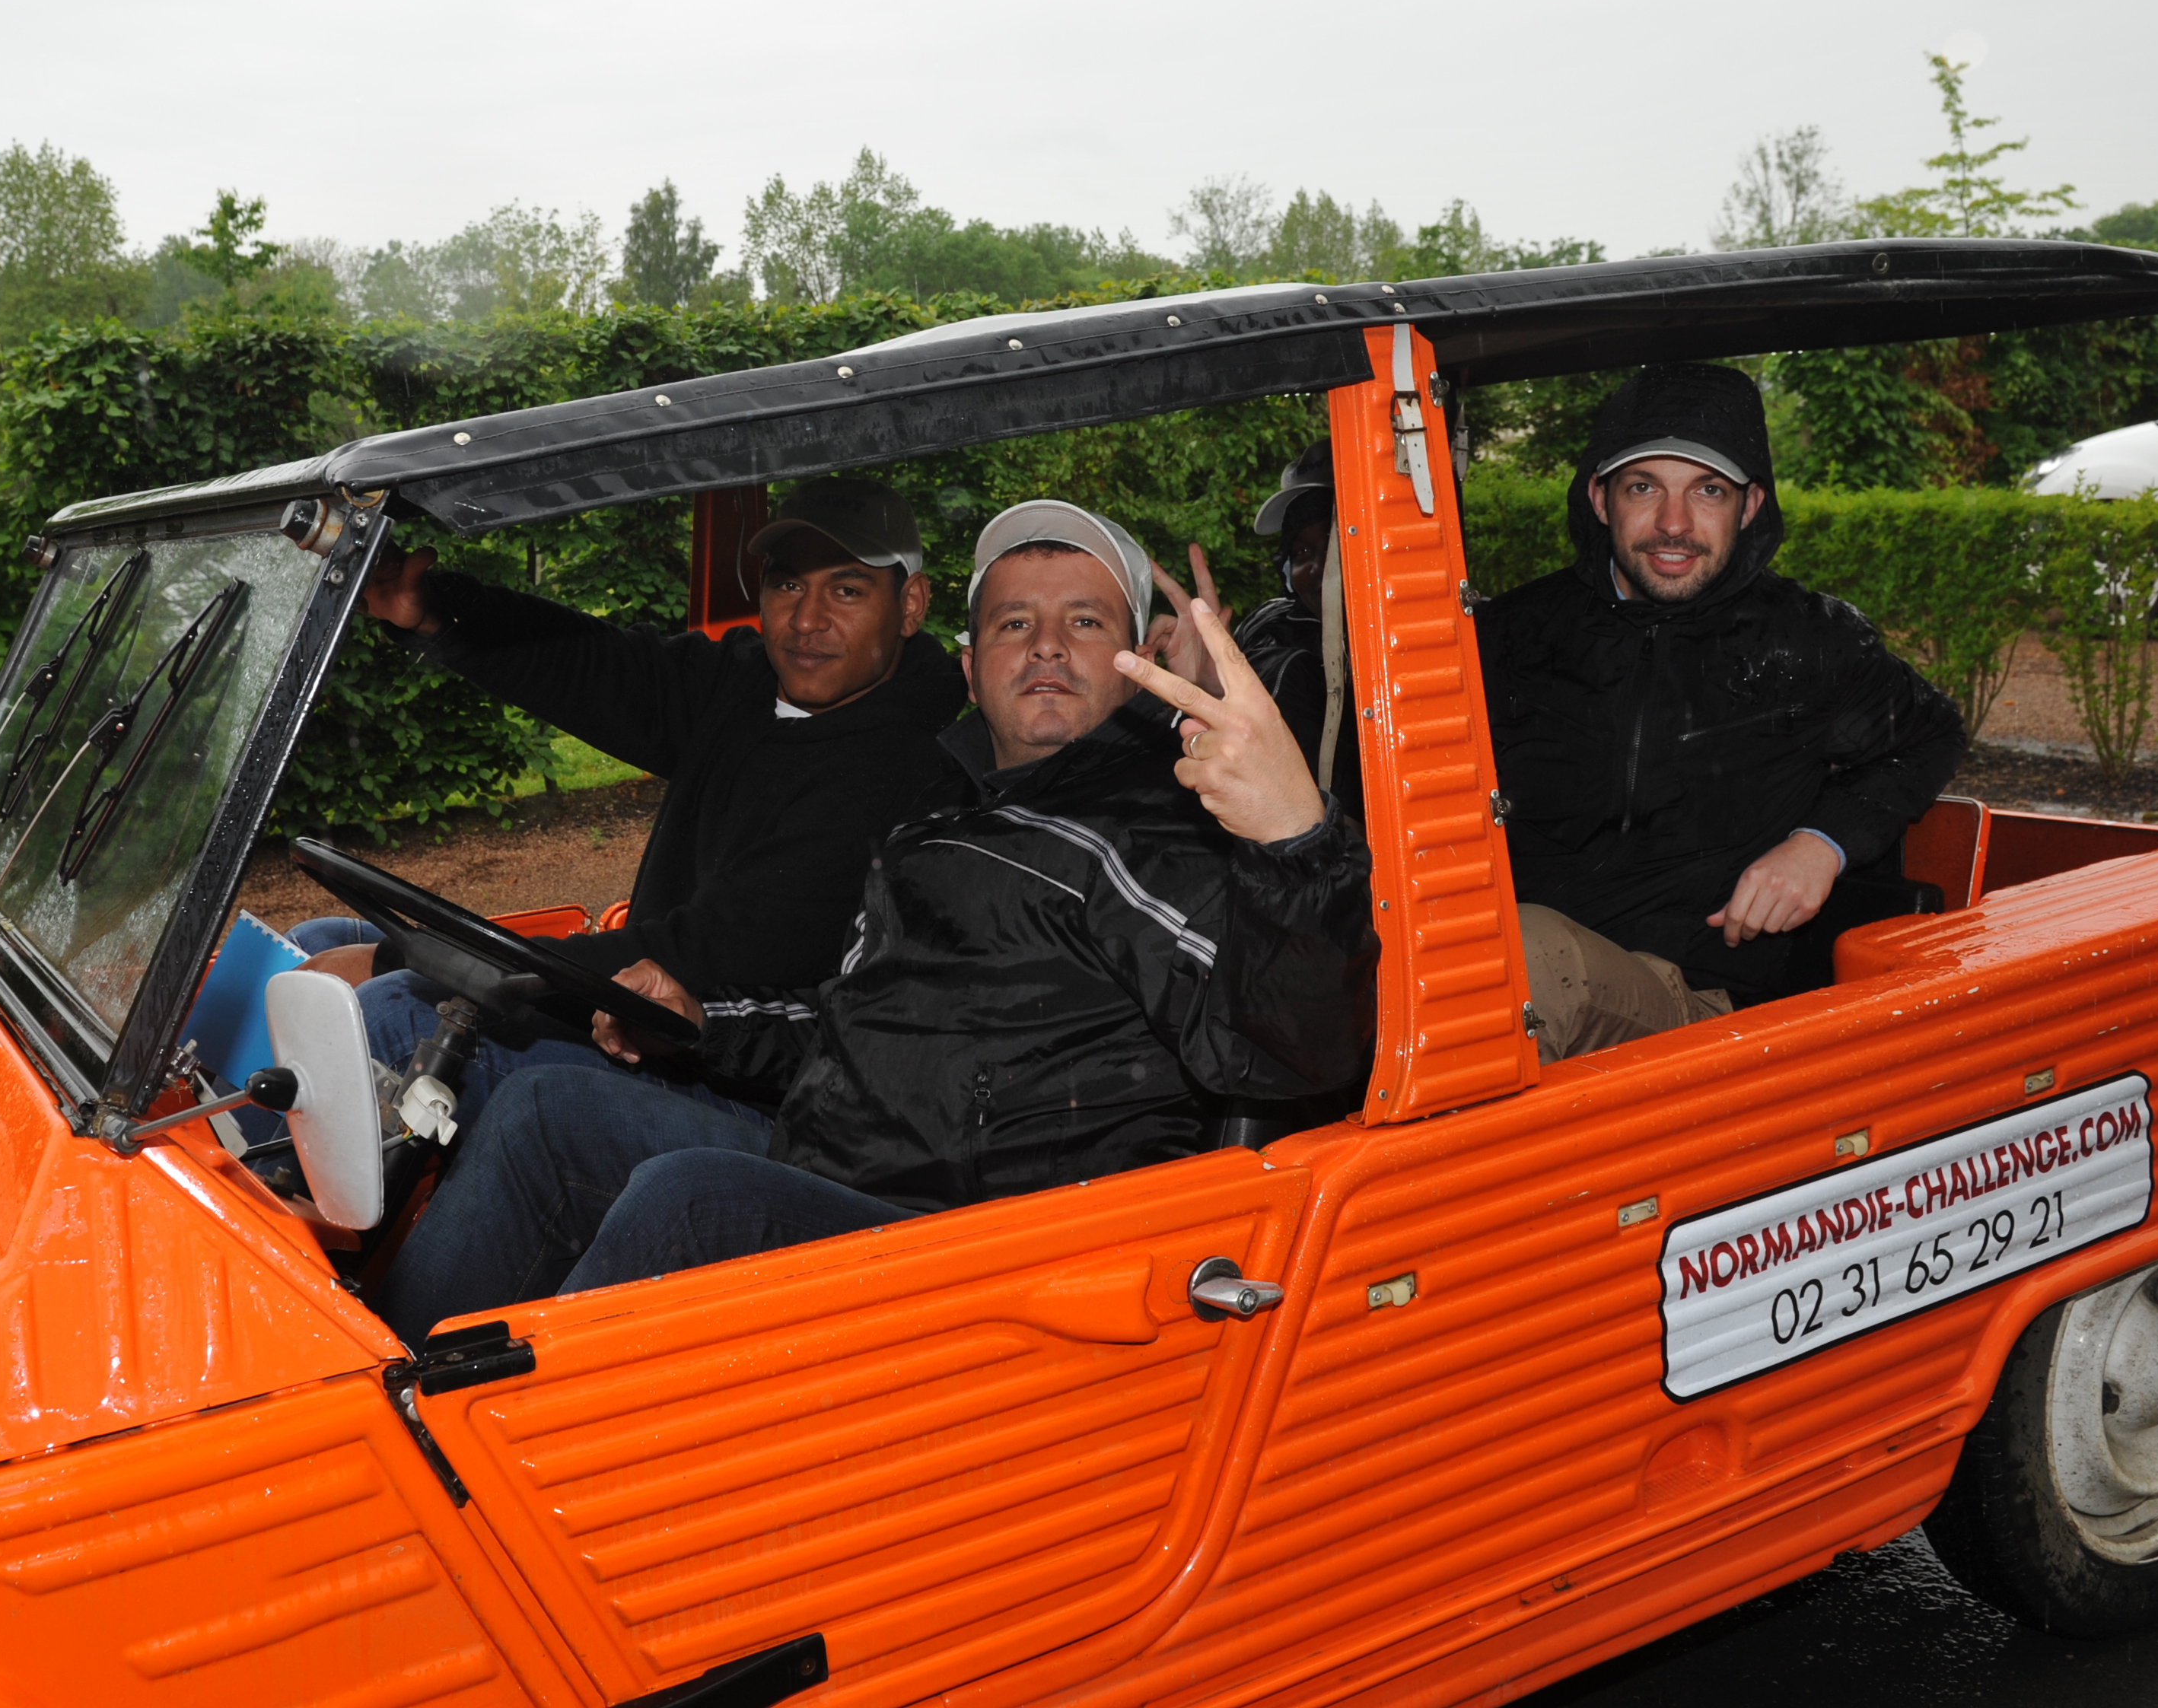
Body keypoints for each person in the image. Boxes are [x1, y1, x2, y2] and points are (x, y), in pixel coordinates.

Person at [372, 497, 1380, 1348]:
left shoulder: (1154, 832)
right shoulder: (938, 820)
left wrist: (1292, 837)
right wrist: (708, 1025)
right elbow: (844, 1025)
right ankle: (390, 1395)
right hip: (840, 1169)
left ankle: (498, 1463)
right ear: (971, 668)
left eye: (1083, 622)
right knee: (548, 1109)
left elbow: (1289, 1053)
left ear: (1134, 660)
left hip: (992, 1246)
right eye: (1015, 624)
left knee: (691, 1200)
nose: (1045, 646)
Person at [291, 475, 966, 1131]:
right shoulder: (751, 682)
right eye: (788, 584)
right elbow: (595, 667)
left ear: (911, 604)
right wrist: (435, 610)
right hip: (630, 1015)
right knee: (322, 940)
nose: (807, 619)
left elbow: (703, 954)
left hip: (738, 1084)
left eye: (846, 590)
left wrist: (411, 963)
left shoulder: (898, 773)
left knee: (390, 1009)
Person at [1476, 363, 1965, 1059]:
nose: (1674, 525)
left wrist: (1821, 845)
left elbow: (1930, 735)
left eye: (1708, 490)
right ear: (1599, 498)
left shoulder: (1807, 641)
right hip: (1489, 961)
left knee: (1529, 959)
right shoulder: (1511, 635)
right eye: (1644, 487)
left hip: (1695, 1000)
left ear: (1751, 504)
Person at [1225, 442, 1364, 830]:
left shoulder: (1441, 631)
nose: (1321, 567)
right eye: (1302, 551)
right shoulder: (1268, 631)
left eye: (1337, 541)